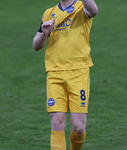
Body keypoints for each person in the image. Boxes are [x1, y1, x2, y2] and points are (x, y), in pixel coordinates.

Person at [33, 0, 98, 149]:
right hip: (54, 73)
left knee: (78, 128)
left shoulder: (82, 7)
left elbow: (94, 11)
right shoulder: (49, 13)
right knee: (56, 122)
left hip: (78, 72)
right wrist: (44, 34)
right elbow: (36, 45)